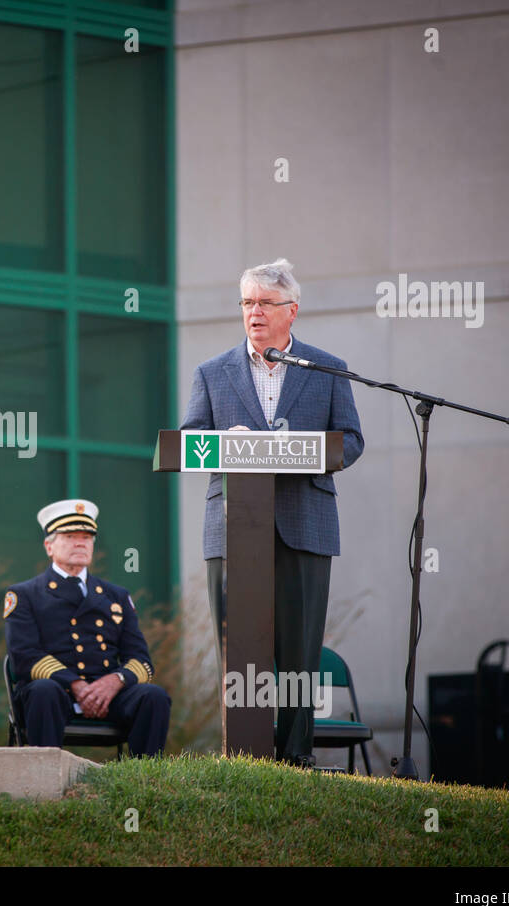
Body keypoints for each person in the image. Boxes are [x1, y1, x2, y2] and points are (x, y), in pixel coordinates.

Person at [180, 257, 363, 766]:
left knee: (300, 653)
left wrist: (299, 451)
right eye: (247, 303)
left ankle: (296, 757)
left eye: (265, 303)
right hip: (233, 530)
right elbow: (191, 441)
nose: (254, 313)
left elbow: (351, 441)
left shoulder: (326, 369)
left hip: (305, 525)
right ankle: (245, 757)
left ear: (292, 311)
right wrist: (224, 442)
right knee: (239, 653)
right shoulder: (212, 373)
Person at [3, 499, 170, 757]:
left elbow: (142, 661)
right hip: (55, 693)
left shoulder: (117, 596)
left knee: (153, 696)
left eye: (87, 537)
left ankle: (146, 782)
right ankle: (43, 782)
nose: (80, 543)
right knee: (43, 691)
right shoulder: (25, 594)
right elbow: (24, 656)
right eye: (70, 536)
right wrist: (76, 686)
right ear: (49, 546)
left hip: (109, 695)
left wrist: (116, 681)